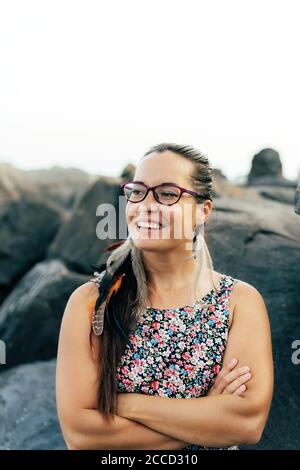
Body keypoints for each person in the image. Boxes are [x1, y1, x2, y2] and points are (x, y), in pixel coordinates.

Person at [56, 143, 274, 450]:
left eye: (168, 194)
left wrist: (125, 405)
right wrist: (207, 417)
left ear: (203, 211)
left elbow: (246, 424)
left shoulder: (238, 302)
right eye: (138, 191)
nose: (147, 204)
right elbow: (81, 436)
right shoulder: (91, 303)